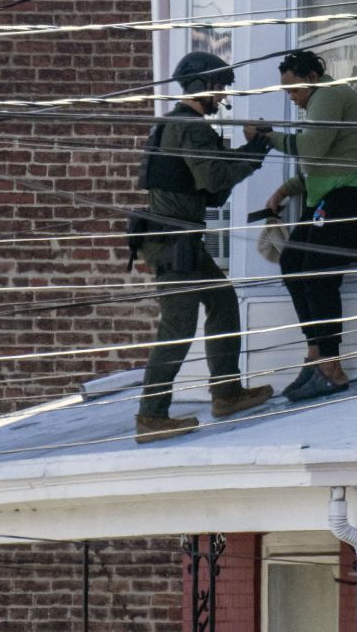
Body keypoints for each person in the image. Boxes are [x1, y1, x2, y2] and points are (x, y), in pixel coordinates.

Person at [133, 51, 275, 443]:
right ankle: (151, 415)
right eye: (220, 86)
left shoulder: (176, 124)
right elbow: (214, 182)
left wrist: (242, 155)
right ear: (205, 86)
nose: (223, 95)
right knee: (177, 326)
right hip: (173, 243)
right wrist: (257, 148)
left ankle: (227, 393)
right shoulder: (191, 128)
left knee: (223, 303)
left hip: (181, 240)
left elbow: (209, 191)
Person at [263, 49, 357, 403]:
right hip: (333, 196)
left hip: (355, 197)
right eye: (286, 92)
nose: (292, 99)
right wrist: (285, 190)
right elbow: (326, 164)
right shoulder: (323, 101)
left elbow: (312, 148)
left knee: (317, 270)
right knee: (292, 262)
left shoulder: (330, 95)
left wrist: (267, 136)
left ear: (313, 79)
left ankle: (331, 367)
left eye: (294, 90)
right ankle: (317, 353)